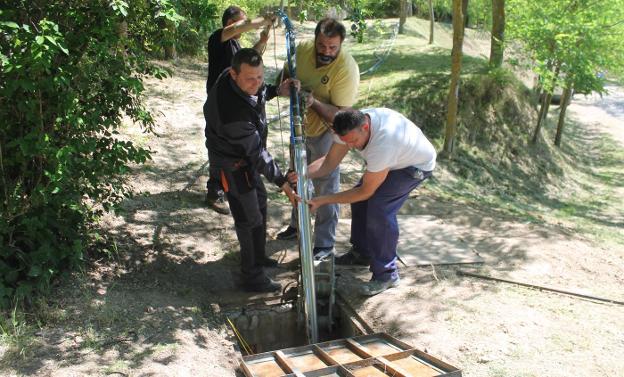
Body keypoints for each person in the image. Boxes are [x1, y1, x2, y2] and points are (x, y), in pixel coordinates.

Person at [306, 108, 436, 296]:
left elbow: (365, 192)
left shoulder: (383, 142)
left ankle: (387, 274)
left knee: (379, 209)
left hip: (415, 166)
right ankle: (362, 253)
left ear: (365, 127)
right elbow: (328, 163)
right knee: (359, 203)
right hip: (395, 158)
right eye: (346, 142)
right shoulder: (347, 126)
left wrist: (322, 200)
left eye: (354, 142)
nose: (350, 146)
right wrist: (301, 173)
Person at [204, 48, 299, 292]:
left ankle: (258, 257)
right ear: (234, 74)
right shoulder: (233, 114)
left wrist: (277, 90)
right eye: (250, 78)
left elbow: (257, 91)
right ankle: (252, 277)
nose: (256, 83)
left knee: (260, 201)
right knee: (248, 217)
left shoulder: (232, 75)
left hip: (244, 157)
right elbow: (258, 154)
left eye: (260, 76)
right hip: (232, 163)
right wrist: (283, 183)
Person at [276, 18, 360, 259]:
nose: (326, 52)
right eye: (322, 46)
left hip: (327, 131)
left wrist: (313, 102)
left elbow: (343, 117)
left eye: (333, 47)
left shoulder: (346, 69)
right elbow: (283, 74)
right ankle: (297, 225)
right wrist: (285, 84)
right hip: (298, 127)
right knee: (295, 174)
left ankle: (324, 244)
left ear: (341, 44)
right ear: (315, 40)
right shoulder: (301, 50)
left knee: (325, 182)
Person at [204, 6, 275, 215]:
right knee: (219, 147)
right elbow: (240, 27)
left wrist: (262, 40)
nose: (244, 26)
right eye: (241, 23)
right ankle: (214, 191)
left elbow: (249, 60)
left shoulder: (235, 44)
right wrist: (263, 20)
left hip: (236, 103)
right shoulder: (219, 37)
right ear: (230, 23)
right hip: (219, 105)